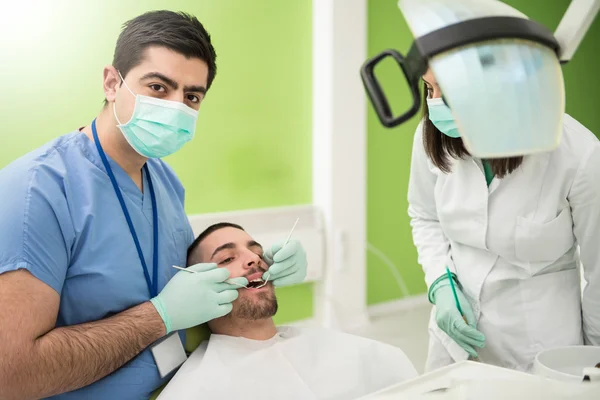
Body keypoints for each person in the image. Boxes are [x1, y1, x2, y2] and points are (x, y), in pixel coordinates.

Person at [0, 11, 308, 399]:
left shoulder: (165, 181)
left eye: (192, 96)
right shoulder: (37, 191)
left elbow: (187, 285)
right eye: (159, 87)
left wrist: (263, 267)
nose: (177, 106)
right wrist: (159, 316)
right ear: (113, 83)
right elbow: (9, 374)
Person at [408, 68, 600, 373]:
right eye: (429, 90)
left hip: (538, 348)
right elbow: (424, 215)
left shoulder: (577, 154)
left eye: (447, 90)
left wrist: (593, 360)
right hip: (454, 339)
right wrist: (441, 285)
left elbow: (598, 270)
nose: (435, 105)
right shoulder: (432, 136)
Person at [157, 222, 418, 399]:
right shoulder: (197, 389)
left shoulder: (346, 350)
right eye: (226, 259)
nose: (254, 259)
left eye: (256, 252)